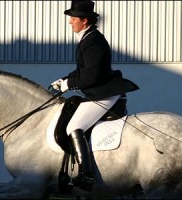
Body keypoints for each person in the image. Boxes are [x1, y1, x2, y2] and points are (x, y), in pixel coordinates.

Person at [51, 0, 139, 192]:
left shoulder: (93, 41)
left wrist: (69, 84)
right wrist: (63, 80)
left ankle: (86, 175)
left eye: (73, 18)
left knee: (74, 126)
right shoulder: (87, 37)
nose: (70, 22)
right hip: (98, 92)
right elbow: (82, 71)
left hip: (104, 94)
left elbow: (92, 76)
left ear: (84, 20)